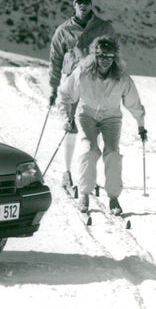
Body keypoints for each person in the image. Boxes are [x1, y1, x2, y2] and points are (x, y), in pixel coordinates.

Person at [57, 36, 147, 214]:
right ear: (95, 56)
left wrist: (141, 125)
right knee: (89, 150)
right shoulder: (83, 73)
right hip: (87, 115)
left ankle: (113, 197)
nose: (106, 60)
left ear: (115, 57)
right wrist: (66, 117)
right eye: (102, 56)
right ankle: (84, 193)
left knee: (112, 153)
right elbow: (65, 95)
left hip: (111, 118)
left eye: (110, 56)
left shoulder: (121, 78)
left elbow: (134, 103)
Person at [48, 0, 115, 189]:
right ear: (74, 4)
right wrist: (53, 88)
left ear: (91, 3)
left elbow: (113, 55)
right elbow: (55, 60)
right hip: (71, 82)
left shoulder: (104, 28)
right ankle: (66, 172)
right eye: (79, 2)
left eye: (86, 1)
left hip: (95, 83)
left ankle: (90, 174)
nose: (83, 5)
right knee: (69, 126)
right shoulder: (63, 31)